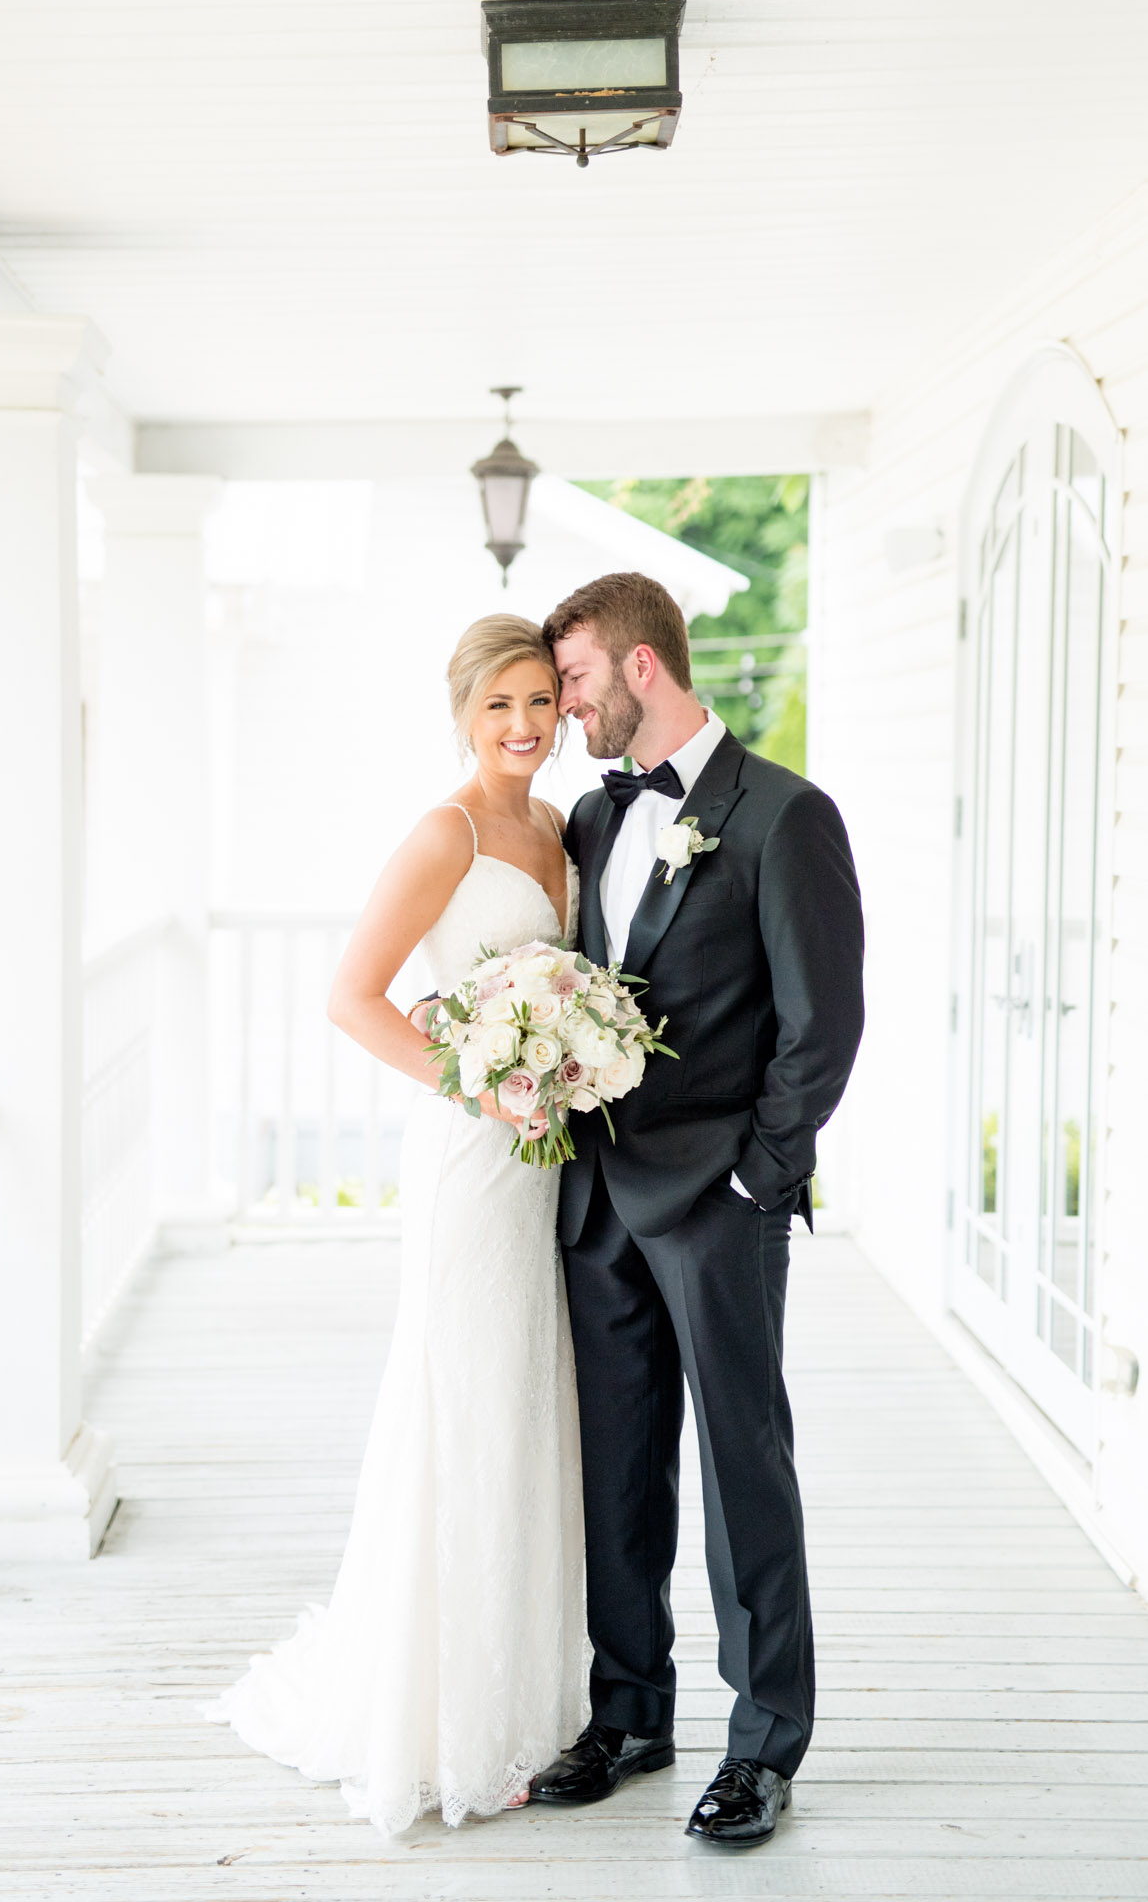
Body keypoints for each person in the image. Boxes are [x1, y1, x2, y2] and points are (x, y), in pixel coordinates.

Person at [206, 614, 588, 1837]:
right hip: (474, 1158)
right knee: (463, 1406)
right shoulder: (450, 832)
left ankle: (526, 1695)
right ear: (463, 717)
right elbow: (351, 998)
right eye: (499, 709)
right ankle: (439, 1715)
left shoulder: (562, 829)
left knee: (525, 1409)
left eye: (539, 701)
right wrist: (481, 1080)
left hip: (545, 1163)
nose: (523, 726)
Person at [529, 570, 865, 1847]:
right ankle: (629, 1714)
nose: (564, 710)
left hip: (719, 1202)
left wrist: (754, 1175)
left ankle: (763, 1742)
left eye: (571, 682)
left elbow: (820, 1023)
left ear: (640, 669)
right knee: (616, 1469)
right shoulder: (587, 820)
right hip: (596, 1195)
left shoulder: (783, 815)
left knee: (740, 1467)